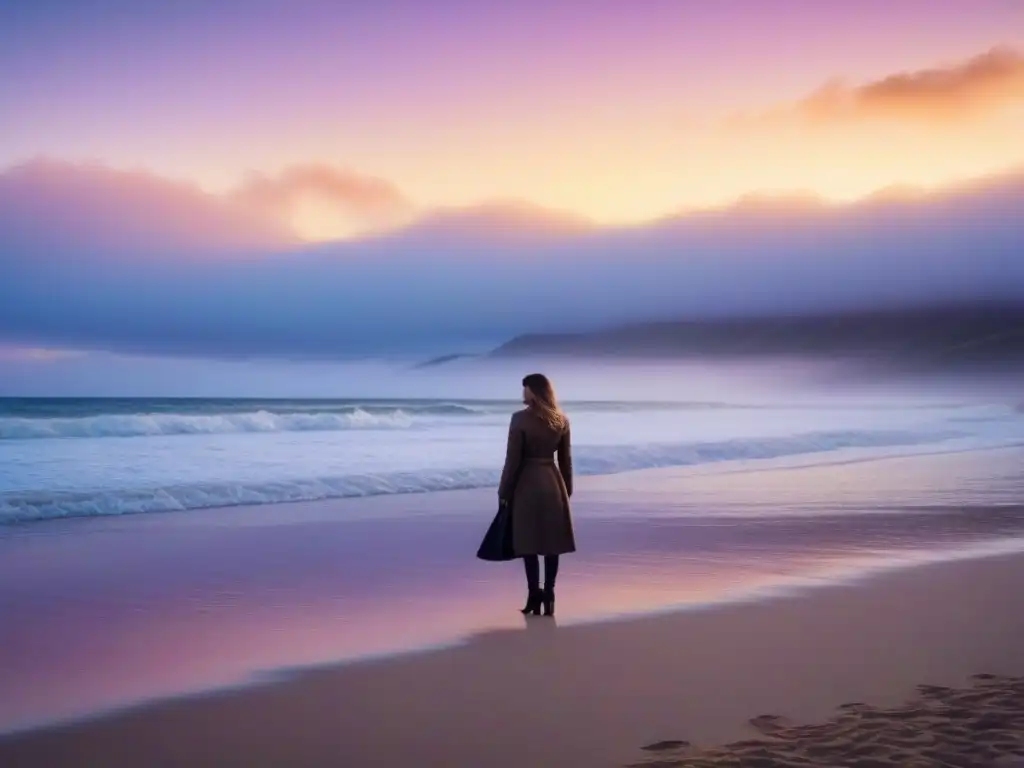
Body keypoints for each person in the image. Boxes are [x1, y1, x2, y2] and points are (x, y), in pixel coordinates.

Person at [498, 373, 576, 617]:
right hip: (553, 483)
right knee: (552, 543)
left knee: (528, 542)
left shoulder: (519, 419)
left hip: (527, 485)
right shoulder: (561, 420)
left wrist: (504, 491)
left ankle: (534, 594)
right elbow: (566, 461)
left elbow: (512, 461)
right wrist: (567, 490)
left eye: (526, 388)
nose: (523, 393)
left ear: (534, 391)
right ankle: (550, 595)